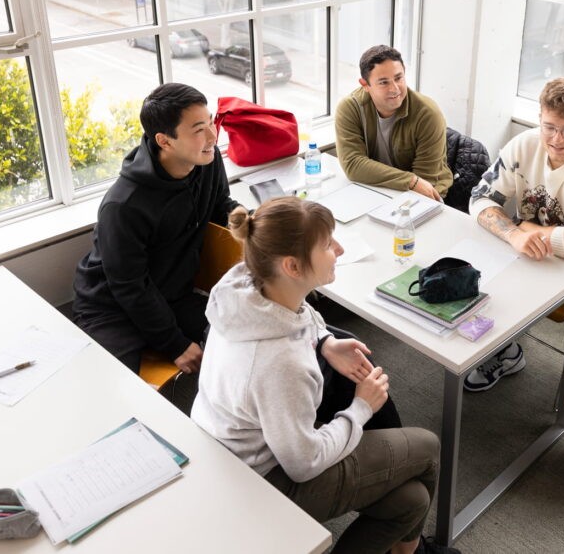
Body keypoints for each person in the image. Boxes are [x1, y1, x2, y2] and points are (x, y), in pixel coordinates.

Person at [192, 198, 458, 554]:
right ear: (293, 266)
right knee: (427, 447)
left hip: (230, 448)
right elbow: (304, 464)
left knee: (410, 501)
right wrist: (361, 407)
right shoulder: (278, 363)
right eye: (327, 244)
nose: (339, 249)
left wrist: (325, 341)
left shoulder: (246, 283)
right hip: (263, 479)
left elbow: (301, 314)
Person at [467, 78, 564, 391]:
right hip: (527, 243)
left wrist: (525, 227)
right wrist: (514, 234)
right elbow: (479, 199)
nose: (557, 139)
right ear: (539, 119)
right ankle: (506, 353)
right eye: (549, 127)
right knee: (479, 284)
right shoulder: (523, 145)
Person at [72, 83, 238, 375]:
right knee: (117, 389)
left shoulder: (207, 160)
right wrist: (174, 344)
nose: (213, 135)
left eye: (211, 122)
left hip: (171, 294)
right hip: (111, 309)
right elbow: (128, 285)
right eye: (199, 129)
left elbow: (219, 204)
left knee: (250, 331)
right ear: (165, 141)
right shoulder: (124, 205)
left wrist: (248, 220)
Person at [336, 44, 452, 202]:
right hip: (376, 191)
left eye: (399, 78)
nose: (395, 89)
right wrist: (410, 181)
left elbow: (425, 183)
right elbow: (353, 165)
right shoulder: (350, 108)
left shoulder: (428, 114)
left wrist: (412, 184)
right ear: (365, 85)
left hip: (424, 198)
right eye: (384, 82)